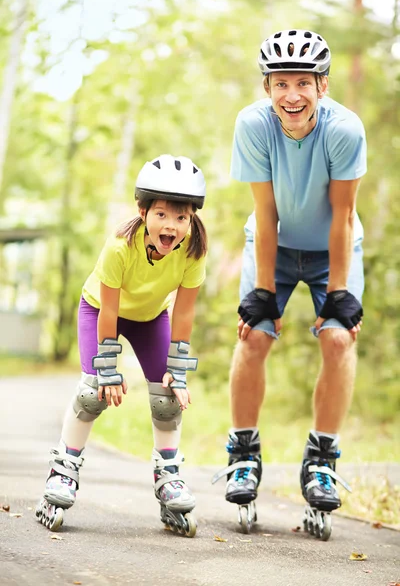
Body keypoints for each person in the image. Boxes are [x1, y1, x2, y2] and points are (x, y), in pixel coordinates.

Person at [218, 29, 366, 529]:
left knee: (340, 340)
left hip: (332, 248)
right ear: (267, 88)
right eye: (282, 83)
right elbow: (264, 214)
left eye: (304, 82)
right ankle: (243, 452)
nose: (293, 95)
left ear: (322, 86)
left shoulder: (344, 130)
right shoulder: (253, 125)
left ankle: (321, 461)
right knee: (254, 337)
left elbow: (344, 216)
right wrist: (262, 292)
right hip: (273, 243)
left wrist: (340, 293)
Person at [36, 154, 207, 537]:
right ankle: (62, 471)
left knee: (167, 396)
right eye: (163, 214)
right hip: (100, 310)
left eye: (183, 218)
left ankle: (169, 476)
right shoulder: (119, 247)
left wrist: (177, 371)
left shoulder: (193, 249)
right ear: (143, 209)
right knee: (93, 391)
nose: (173, 226)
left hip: (151, 318)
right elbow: (109, 311)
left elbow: (183, 313)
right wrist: (108, 369)